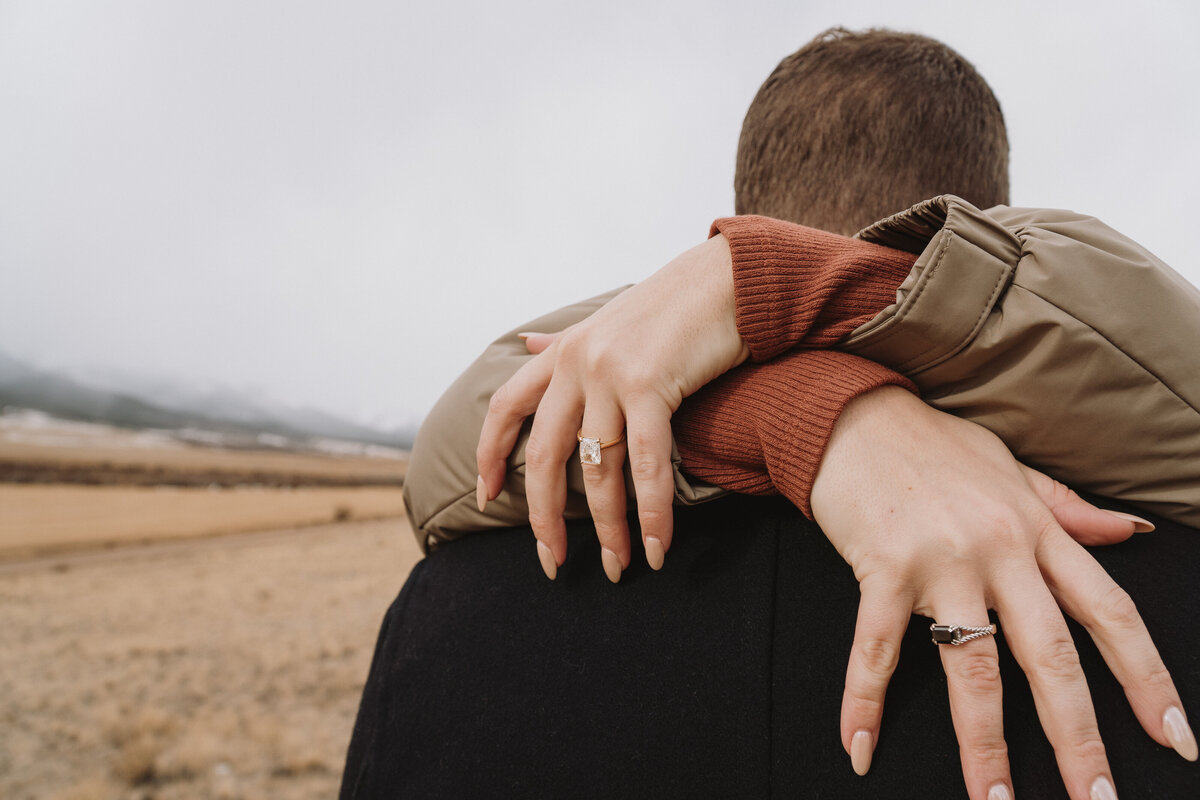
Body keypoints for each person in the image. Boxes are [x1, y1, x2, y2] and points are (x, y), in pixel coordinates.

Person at [342, 29, 1199, 800]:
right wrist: (810, 409)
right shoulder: (1161, 575)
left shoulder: (447, 615)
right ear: (986, 219)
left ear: (743, 216)